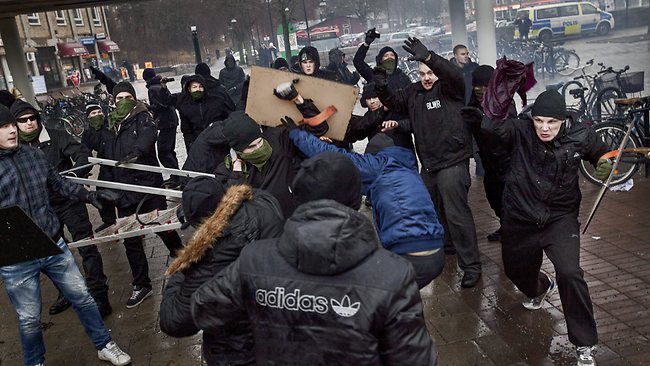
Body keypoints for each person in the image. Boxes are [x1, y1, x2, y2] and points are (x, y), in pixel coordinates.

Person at [191, 152, 438, 365]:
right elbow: (415, 359)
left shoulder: (254, 260)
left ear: (299, 196)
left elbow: (204, 308)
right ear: (354, 200)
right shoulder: (393, 275)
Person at [463, 89, 612, 366]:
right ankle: (541, 287)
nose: (544, 128)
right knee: (516, 272)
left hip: (560, 218)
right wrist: (481, 120)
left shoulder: (581, 134)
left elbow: (601, 152)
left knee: (570, 273)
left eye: (552, 122)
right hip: (520, 216)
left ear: (564, 120)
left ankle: (584, 344)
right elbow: (497, 128)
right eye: (539, 121)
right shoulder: (520, 131)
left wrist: (605, 162)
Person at [0, 104, 131, 366]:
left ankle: (104, 344)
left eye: (11, 125)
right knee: (29, 318)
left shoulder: (33, 156)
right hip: (16, 254)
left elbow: (58, 183)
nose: (12, 130)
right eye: (3, 127)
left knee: (82, 296)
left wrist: (89, 196)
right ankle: (35, 362)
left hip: (52, 240)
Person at [287, 119, 445, 289]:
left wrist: (297, 134)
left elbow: (334, 156)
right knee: (403, 299)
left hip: (411, 256)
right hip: (436, 253)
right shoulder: (407, 169)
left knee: (370, 296)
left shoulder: (379, 166)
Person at [375, 37, 481, 288]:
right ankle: (447, 248)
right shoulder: (414, 93)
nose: (427, 77)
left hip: (453, 161)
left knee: (456, 215)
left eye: (431, 73)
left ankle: (471, 266)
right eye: (422, 73)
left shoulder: (450, 88)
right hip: (430, 164)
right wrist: (382, 88)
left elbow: (453, 74)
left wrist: (430, 57)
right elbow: (396, 103)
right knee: (431, 210)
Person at [160, 178, 284, 365]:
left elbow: (173, 321)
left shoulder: (210, 260)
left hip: (238, 350)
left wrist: (185, 262)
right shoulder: (263, 203)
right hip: (279, 332)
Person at [11, 100, 112, 318]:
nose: (29, 123)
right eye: (22, 120)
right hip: (42, 209)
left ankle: (100, 294)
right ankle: (65, 293)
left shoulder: (56, 136)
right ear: (15, 124)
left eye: (32, 118)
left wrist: (77, 176)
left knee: (87, 246)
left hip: (69, 201)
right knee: (54, 253)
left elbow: (81, 152)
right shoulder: (15, 149)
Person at [107, 81, 184, 308]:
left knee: (164, 228)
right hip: (124, 189)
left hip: (146, 185)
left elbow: (147, 139)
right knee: (130, 239)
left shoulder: (144, 117)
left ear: (133, 98)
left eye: (126, 97)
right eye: (118, 99)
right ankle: (142, 284)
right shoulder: (112, 124)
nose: (122, 102)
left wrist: (134, 155)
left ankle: (184, 262)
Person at [214, 108, 326, 218]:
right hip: (267, 227)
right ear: (238, 150)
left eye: (260, 142)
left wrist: (301, 103)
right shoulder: (226, 171)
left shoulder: (279, 141)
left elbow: (318, 129)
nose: (259, 148)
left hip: (299, 215)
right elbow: (229, 207)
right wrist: (237, 171)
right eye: (251, 147)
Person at [467, 65, 518, 242]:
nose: (480, 89)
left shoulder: (504, 102)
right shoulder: (473, 102)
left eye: (484, 86)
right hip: (488, 160)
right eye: (476, 86)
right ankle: (505, 226)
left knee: (508, 201)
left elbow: (508, 131)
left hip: (507, 161)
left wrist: (484, 119)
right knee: (493, 197)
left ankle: (512, 231)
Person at [174, 74, 235, 152]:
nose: (198, 89)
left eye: (200, 87)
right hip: (199, 142)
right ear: (189, 89)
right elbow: (187, 130)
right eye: (194, 87)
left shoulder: (216, 101)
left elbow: (228, 117)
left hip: (218, 141)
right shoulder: (185, 106)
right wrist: (190, 146)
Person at [81, 103, 118, 231]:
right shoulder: (88, 134)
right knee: (102, 193)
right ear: (88, 117)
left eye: (99, 112)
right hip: (106, 165)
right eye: (93, 113)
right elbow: (84, 153)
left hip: (119, 163)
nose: (97, 115)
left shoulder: (111, 124)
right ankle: (109, 220)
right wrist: (84, 172)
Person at [142, 68, 180, 170]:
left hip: (165, 122)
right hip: (171, 120)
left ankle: (176, 177)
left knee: (163, 151)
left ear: (145, 79)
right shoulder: (159, 85)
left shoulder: (152, 88)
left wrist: (148, 107)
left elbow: (162, 105)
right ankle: (176, 175)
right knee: (169, 150)